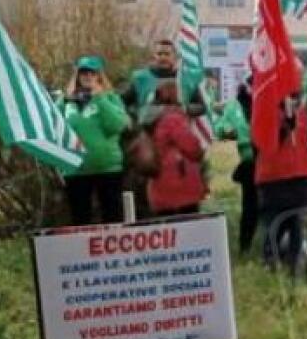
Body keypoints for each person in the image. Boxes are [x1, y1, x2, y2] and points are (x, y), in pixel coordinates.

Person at [61, 56, 129, 225]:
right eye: (83, 72)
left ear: (99, 76)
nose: (88, 76)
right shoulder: (67, 101)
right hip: (75, 169)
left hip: (107, 168)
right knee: (80, 219)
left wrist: (99, 99)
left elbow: (118, 125)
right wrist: (65, 99)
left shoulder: (111, 98)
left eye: (92, 72)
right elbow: (52, 124)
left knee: (112, 217)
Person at [255, 92, 307, 272]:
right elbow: (262, 140)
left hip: (301, 173)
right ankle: (270, 261)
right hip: (274, 175)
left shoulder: (305, 109)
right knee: (276, 221)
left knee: (298, 221)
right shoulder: (265, 107)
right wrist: (283, 128)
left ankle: (296, 262)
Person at [144, 82, 206, 216]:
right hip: (179, 184)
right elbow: (192, 147)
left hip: (158, 182)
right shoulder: (173, 118)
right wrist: (200, 153)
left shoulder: (150, 117)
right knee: (187, 229)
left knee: (166, 228)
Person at [214, 77, 258, 251]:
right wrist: (227, 131)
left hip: (272, 160)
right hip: (249, 162)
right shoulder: (235, 105)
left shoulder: (272, 98)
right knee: (250, 206)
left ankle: (271, 245)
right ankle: (245, 247)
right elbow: (220, 127)